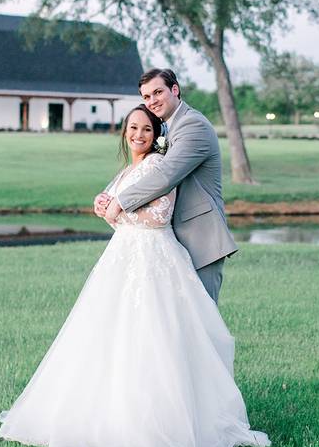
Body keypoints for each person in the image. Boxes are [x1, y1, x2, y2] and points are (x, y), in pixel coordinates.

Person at [0, 105, 269, 447]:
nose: (138, 135)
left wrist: (119, 208)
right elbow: (118, 215)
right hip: (122, 257)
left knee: (155, 336)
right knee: (107, 335)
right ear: (124, 132)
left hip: (155, 258)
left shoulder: (158, 166)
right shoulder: (129, 169)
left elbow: (159, 216)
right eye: (133, 128)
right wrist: (104, 205)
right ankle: (104, 413)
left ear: (156, 137)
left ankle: (161, 420)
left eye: (146, 130)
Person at [97, 68, 237, 304]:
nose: (152, 101)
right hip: (172, 238)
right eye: (146, 97)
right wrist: (107, 196)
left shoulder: (193, 125)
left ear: (175, 89)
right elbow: (144, 167)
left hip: (199, 236)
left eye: (158, 92)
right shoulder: (167, 127)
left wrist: (120, 202)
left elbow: (165, 175)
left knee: (202, 320)